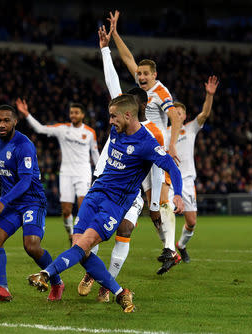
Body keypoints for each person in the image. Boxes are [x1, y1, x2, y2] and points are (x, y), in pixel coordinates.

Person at [28, 95, 184, 312]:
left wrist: (177, 195)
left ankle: (45, 274)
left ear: (128, 115)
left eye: (113, 116)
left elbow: (172, 167)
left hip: (114, 204)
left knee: (85, 244)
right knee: (79, 249)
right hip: (95, 194)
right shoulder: (116, 130)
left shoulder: (147, 143)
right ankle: (121, 292)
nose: (109, 121)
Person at [77, 24, 167, 303]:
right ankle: (94, 273)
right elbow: (112, 81)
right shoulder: (122, 121)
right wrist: (105, 49)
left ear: (138, 107)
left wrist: (154, 204)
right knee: (93, 236)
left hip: (130, 192)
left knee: (124, 231)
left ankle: (107, 285)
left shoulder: (153, 132)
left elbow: (156, 168)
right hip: (104, 181)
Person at [108, 10, 183, 274]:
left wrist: (172, 145)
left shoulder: (161, 91)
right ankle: (170, 249)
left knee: (162, 201)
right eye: (138, 73)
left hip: (156, 149)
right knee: (154, 213)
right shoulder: (141, 91)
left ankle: (170, 250)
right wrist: (115, 33)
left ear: (154, 74)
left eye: (145, 74)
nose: (140, 77)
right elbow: (127, 58)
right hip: (141, 150)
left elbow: (175, 116)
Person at [0, 104, 64, 302]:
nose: (1, 124)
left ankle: (56, 281)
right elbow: (3, 166)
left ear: (15, 122)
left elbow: (26, 180)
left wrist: (2, 201)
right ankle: (2, 288)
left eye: (6, 120)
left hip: (31, 201)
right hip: (12, 203)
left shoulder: (24, 145)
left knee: (32, 246)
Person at [16, 99, 100, 244]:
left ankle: (80, 238)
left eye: (76, 113)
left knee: (83, 207)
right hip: (66, 173)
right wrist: (26, 114)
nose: (73, 115)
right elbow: (40, 129)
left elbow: (95, 154)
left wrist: (99, 174)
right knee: (66, 211)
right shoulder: (62, 129)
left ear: (82, 115)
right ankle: (71, 234)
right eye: (71, 112)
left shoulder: (90, 132)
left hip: (83, 172)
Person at [166, 76, 219, 263]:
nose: (177, 115)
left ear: (185, 116)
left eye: (180, 112)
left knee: (191, 222)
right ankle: (170, 252)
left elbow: (204, 113)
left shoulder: (190, 129)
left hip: (187, 181)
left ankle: (181, 245)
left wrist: (209, 95)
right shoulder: (163, 133)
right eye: (174, 112)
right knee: (167, 215)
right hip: (169, 181)